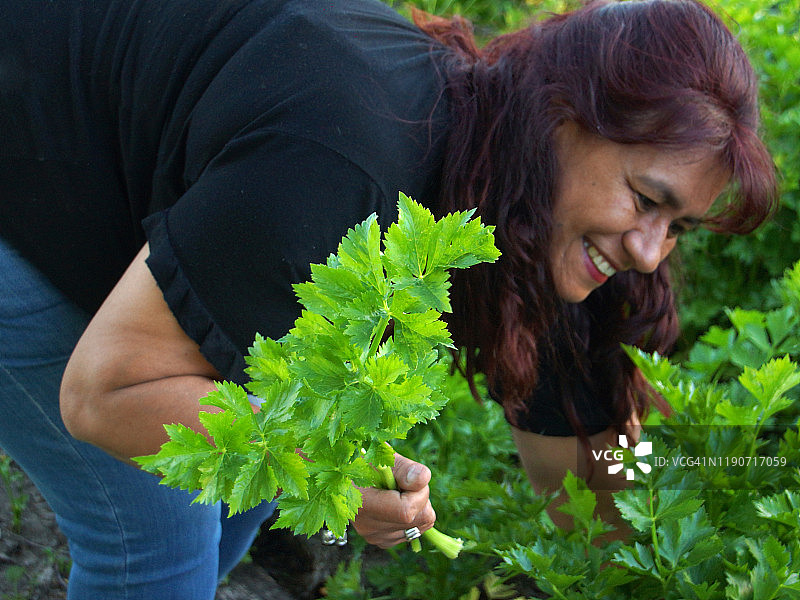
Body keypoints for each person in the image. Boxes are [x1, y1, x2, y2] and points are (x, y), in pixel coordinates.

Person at [0, 0, 775, 597]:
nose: (650, 252)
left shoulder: (524, 199)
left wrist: (635, 567)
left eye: (680, 226)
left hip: (113, 161)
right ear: (561, 115)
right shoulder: (345, 165)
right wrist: (331, 475)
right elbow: (102, 396)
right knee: (157, 534)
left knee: (240, 486)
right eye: (647, 198)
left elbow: (588, 486)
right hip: (21, 164)